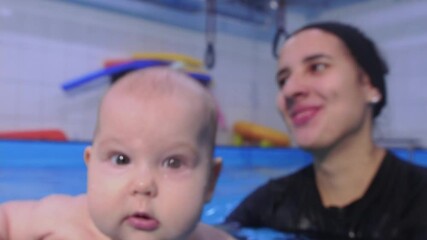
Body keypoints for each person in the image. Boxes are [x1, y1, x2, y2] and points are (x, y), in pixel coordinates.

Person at [225, 21, 427, 239]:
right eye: (283, 80)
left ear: (369, 86)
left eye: (317, 67)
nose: (290, 90)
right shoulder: (268, 206)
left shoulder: (419, 199)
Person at [0, 67, 236, 240]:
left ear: (210, 182)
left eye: (173, 163)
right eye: (121, 159)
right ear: (90, 166)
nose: (143, 185)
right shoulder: (62, 219)